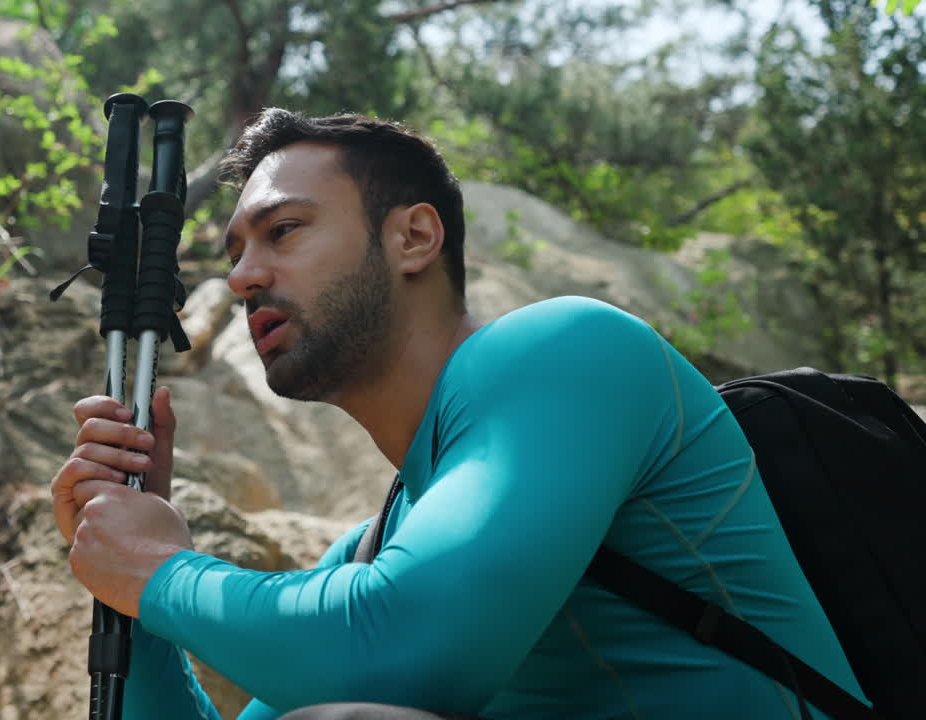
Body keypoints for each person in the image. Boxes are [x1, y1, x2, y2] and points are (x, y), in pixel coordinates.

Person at [49, 110, 868, 719]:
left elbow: (394, 657)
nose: (243, 278)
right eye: (234, 253)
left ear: (414, 238)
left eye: (284, 231)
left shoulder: (572, 350)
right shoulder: (377, 547)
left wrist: (160, 572)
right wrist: (127, 589)